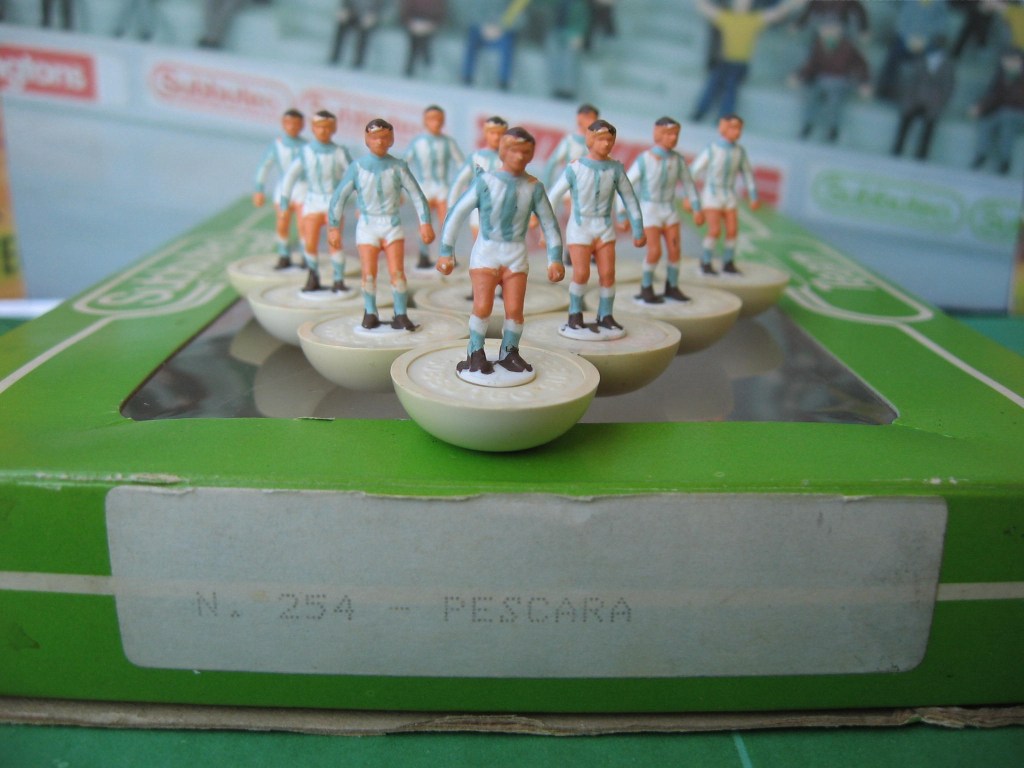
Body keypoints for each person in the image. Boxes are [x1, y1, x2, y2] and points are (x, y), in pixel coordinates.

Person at [437, 127, 564, 375]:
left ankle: (510, 352)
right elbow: (457, 214)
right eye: (514, 151)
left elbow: (550, 224)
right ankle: (475, 352)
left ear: (531, 155)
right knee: (482, 307)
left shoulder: (534, 187)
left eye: (525, 152)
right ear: (503, 152)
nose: (519, 156)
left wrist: (555, 258)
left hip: (516, 256)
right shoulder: (485, 182)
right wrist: (446, 252)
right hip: (487, 254)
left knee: (515, 310)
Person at [328, 119, 434, 330]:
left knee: (397, 273)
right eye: (375, 137)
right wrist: (333, 227)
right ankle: (370, 312)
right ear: (367, 140)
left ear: (392, 140)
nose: (380, 142)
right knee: (368, 274)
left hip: (392, 225)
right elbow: (339, 198)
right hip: (367, 226)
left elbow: (417, 195)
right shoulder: (357, 168)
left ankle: (400, 313)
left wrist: (425, 223)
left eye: (385, 138)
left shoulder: (398, 167)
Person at [548, 119, 645, 332]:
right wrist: (545, 225)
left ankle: (605, 315)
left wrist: (638, 228)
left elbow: (630, 199)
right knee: (581, 273)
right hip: (580, 228)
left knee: (608, 273)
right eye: (601, 139)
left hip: (604, 228)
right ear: (590, 140)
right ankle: (575, 314)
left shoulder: (616, 169)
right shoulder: (575, 168)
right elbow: (554, 195)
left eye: (610, 140)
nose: (606, 144)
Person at [622, 117, 705, 304]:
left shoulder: (678, 160)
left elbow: (689, 185)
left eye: (675, 134)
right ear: (658, 134)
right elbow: (626, 185)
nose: (673, 138)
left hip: (669, 211)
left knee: (675, 251)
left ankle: (672, 286)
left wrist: (697, 208)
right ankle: (646, 287)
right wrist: (622, 213)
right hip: (650, 211)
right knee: (654, 252)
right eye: (668, 134)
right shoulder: (645, 160)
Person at [691, 0, 805, 121]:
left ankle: (725, 116)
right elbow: (706, 9)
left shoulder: (753, 20)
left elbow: (777, 13)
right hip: (724, 62)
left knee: (731, 85)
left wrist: (793, 4)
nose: (742, 3)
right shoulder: (727, 17)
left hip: (740, 65)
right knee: (713, 81)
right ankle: (700, 112)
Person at [279, 111, 353, 292]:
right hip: (312, 202)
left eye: (328, 128)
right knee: (309, 242)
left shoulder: (339, 152)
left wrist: (359, 201)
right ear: (313, 128)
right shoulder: (306, 152)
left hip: (333, 204)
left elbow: (354, 176)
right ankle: (313, 275)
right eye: (320, 127)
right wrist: (284, 199)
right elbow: (290, 175)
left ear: (334, 129)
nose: (323, 131)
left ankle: (338, 279)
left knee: (334, 242)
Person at [689, 114, 760, 275]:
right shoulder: (712, 149)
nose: (737, 132)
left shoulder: (739, 152)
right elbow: (694, 171)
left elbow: (747, 174)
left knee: (732, 230)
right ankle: (706, 262)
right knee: (714, 230)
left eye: (739, 129)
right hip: (712, 195)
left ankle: (728, 262)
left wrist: (753, 195)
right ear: (723, 128)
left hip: (729, 195)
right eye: (733, 128)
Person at [790, 19, 871, 143]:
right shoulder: (818, 45)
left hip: (840, 80)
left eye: (832, 30)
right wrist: (799, 76)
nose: (828, 32)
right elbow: (811, 65)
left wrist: (864, 83)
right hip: (821, 79)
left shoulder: (849, 47)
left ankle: (833, 129)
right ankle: (807, 125)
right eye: (826, 30)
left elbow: (861, 66)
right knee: (811, 97)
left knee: (834, 102)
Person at [403, 105, 465, 268]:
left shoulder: (448, 142)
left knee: (447, 222)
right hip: (423, 188)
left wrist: (463, 183)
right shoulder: (417, 142)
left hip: (442, 188)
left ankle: (447, 255)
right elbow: (404, 164)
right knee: (424, 223)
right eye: (431, 119)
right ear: (425, 121)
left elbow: (462, 164)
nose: (435, 123)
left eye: (439, 119)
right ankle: (423, 256)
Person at [253, 109, 308, 269]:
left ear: (302, 125)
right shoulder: (277, 145)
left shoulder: (307, 146)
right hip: (284, 189)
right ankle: (284, 254)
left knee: (304, 225)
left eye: (296, 124)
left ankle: (306, 255)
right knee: (282, 223)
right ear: (283, 124)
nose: (292, 127)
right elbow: (264, 166)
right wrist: (259, 189)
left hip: (302, 188)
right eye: (289, 123)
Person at [891, 36, 955, 160]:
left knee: (929, 127)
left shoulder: (947, 65)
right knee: (906, 119)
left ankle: (922, 154)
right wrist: (909, 99)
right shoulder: (921, 60)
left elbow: (948, 88)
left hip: (933, 103)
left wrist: (939, 103)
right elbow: (911, 81)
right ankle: (897, 149)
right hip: (915, 100)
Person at [970, 48, 1024, 174]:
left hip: (1018, 115)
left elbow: (1015, 98)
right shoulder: (1002, 75)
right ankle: (981, 154)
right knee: (986, 122)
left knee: (1007, 124)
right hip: (1003, 112)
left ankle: (1005, 160)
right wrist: (980, 107)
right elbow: (993, 94)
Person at [462, 0, 531, 91]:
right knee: (472, 37)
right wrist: (483, 26)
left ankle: (503, 82)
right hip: (481, 28)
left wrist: (501, 27)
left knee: (508, 44)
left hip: (504, 30)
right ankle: (466, 77)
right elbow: (472, 9)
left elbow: (519, 14)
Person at [543, 103, 599, 187]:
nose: (591, 122)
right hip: (568, 186)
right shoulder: (570, 141)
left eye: (594, 119)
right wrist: (547, 185)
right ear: (579, 118)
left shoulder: (598, 144)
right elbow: (552, 163)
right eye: (588, 118)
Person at [328, 0, 387, 68]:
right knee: (342, 23)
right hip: (352, 12)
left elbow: (383, 6)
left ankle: (358, 62)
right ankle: (334, 57)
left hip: (370, 16)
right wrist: (344, 9)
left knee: (365, 29)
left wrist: (374, 15)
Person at [401, 0, 446, 76]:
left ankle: (426, 64)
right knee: (414, 47)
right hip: (414, 22)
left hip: (429, 24)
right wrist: (408, 21)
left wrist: (435, 23)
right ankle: (411, 68)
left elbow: (440, 10)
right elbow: (406, 8)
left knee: (423, 45)